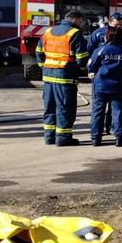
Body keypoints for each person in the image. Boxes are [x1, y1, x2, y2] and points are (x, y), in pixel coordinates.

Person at [36, 10, 89, 146]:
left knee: (49, 107)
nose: (80, 24)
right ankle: (63, 138)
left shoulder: (48, 32)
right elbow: (82, 58)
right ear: (74, 20)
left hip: (48, 77)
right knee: (65, 108)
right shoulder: (74, 33)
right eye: (80, 21)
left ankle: (49, 137)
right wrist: (80, 70)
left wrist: (44, 67)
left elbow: (38, 52)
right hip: (65, 78)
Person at [88, 25, 122, 146]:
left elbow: (91, 66)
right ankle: (119, 138)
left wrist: (91, 72)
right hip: (118, 86)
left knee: (97, 112)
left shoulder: (101, 50)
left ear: (107, 36)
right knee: (117, 112)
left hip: (100, 86)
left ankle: (96, 139)